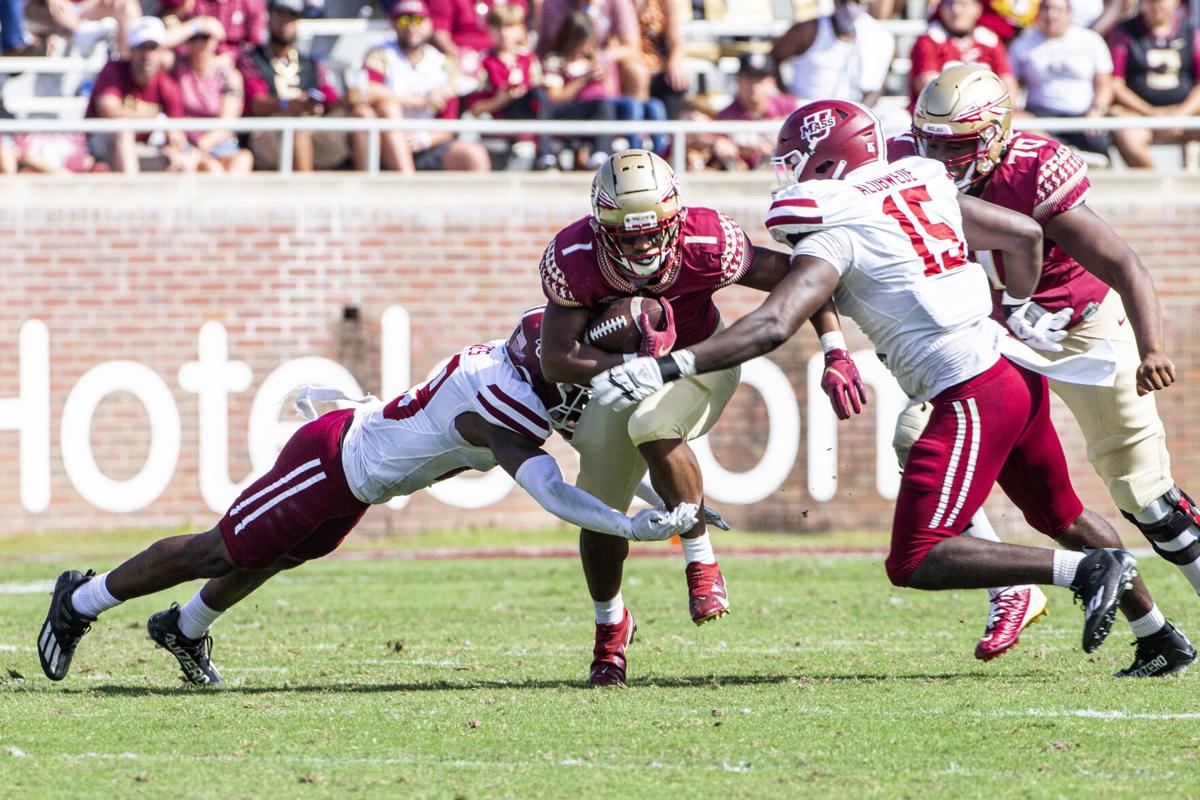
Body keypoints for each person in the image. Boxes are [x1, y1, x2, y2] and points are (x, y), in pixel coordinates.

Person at [589, 100, 1195, 678]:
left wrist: (666, 368)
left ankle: (1087, 572)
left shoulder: (835, 228)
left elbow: (773, 324)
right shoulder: (922, 181)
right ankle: (1157, 635)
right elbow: (1024, 235)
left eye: (795, 163)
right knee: (1062, 514)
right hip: (1014, 368)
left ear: (826, 162)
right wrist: (1014, 305)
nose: (786, 176)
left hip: (974, 390)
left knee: (916, 557)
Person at [37, 307, 699, 686]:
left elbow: (591, 445)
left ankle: (183, 627)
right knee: (220, 551)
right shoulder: (499, 402)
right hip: (331, 460)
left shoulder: (523, 374)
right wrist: (630, 525)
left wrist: (650, 490)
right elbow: (551, 489)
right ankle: (80, 599)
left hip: (358, 484)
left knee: (274, 557)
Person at [879, 65, 1197, 675]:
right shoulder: (906, 162)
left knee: (1144, 494)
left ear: (997, 135)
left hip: (1078, 329)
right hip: (995, 336)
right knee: (915, 434)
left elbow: (1125, 264)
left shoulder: (1033, 171)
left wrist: (1153, 347)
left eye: (957, 144)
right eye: (932, 142)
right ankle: (1013, 589)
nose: (940, 157)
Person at [537, 149, 795, 686]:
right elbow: (556, 357)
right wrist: (633, 361)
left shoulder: (708, 241)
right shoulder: (575, 255)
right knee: (598, 511)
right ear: (601, 228)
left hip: (701, 363)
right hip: (623, 375)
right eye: (627, 237)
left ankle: (700, 560)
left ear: (676, 219)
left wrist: (837, 347)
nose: (644, 246)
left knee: (653, 425)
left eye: (654, 232)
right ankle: (612, 629)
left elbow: (802, 279)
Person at [353, 0, 491, 172]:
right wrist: (419, 101)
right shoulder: (381, 54)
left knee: (474, 154)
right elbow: (366, 91)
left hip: (428, 141)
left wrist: (425, 139)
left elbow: (449, 123)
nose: (412, 26)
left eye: (418, 20)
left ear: (430, 23)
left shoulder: (442, 64)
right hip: (385, 143)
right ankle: (407, 185)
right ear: (393, 24)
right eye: (404, 20)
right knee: (388, 108)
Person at [238, 0, 360, 171]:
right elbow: (257, 104)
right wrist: (290, 104)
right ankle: (305, 193)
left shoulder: (309, 63)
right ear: (269, 18)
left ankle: (369, 184)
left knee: (361, 114)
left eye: (291, 17)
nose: (285, 23)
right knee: (295, 124)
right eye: (280, 15)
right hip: (266, 134)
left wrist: (350, 99)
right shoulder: (252, 58)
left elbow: (329, 99)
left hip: (311, 130)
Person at [84, 16, 197, 174]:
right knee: (123, 131)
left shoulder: (167, 84)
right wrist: (155, 119)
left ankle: (181, 198)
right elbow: (108, 110)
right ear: (131, 50)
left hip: (142, 147)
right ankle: (131, 193)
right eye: (141, 47)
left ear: (161, 51)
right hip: (103, 145)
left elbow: (176, 131)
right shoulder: (113, 70)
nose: (147, 54)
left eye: (152, 47)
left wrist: (173, 143)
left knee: (185, 159)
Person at [1008, 0, 1113, 156]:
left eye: (1057, 10)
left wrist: (1097, 110)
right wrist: (1015, 109)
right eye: (1046, 9)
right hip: (1040, 115)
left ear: (1068, 14)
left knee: (1100, 148)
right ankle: (1066, 155)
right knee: (1028, 137)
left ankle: (1069, 156)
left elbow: (1104, 84)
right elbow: (1012, 82)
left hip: (1083, 115)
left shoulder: (1091, 40)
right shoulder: (1022, 44)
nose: (1051, 15)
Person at [1107, 0, 1200, 168]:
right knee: (1127, 135)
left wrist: (1180, 115)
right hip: (1139, 113)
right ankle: (1160, 185)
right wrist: (1151, 113)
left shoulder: (1191, 31)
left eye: (1161, 1)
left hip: (1187, 112)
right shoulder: (1124, 32)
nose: (1157, 6)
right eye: (1150, 1)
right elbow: (1115, 84)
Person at [773, 0, 895, 110]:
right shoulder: (808, 30)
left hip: (853, 115)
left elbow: (875, 89)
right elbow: (773, 58)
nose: (849, 7)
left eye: (856, 2)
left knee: (898, 119)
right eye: (844, 1)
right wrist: (787, 99)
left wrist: (855, 115)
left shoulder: (879, 36)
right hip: (806, 113)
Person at [174, 23, 255, 173]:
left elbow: (228, 122)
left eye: (205, 38)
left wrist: (203, 144)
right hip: (188, 144)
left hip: (220, 144)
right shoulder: (176, 68)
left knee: (244, 159)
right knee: (211, 168)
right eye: (194, 38)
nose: (200, 44)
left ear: (214, 42)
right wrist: (194, 25)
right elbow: (155, 44)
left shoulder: (229, 76)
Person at [909, 0, 1018, 104]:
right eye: (949, 3)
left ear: (978, 9)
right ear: (941, 8)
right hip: (940, 115)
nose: (956, 10)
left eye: (964, 4)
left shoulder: (989, 41)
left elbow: (1008, 86)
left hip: (985, 113)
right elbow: (929, 89)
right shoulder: (929, 41)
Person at [714, 53, 798, 170]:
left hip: (786, 178)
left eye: (760, 79)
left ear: (771, 82)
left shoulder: (788, 107)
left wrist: (776, 147)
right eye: (749, 78)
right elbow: (721, 146)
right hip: (744, 180)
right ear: (738, 81)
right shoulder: (725, 115)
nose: (754, 85)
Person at [158, 0, 267, 56]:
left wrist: (224, 60)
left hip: (232, 66)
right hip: (189, 65)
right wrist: (198, 24)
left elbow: (254, 48)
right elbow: (159, 40)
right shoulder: (189, 3)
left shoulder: (252, 3)